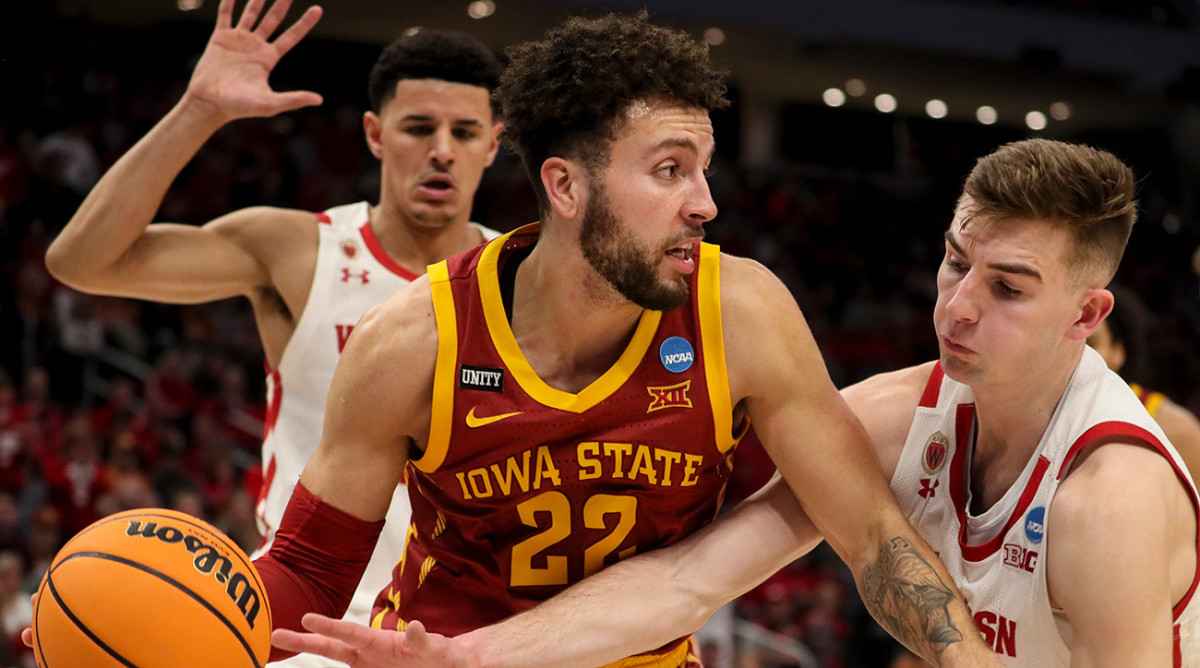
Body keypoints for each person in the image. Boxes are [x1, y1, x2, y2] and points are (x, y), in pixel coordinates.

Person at [250, 11, 1001, 668]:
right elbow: (309, 570)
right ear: (567, 187)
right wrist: (190, 624)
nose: (704, 204)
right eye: (670, 170)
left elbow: (870, 532)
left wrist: (968, 659)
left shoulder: (739, 312)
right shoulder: (414, 341)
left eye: (703, 170)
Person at [273, 140, 1199, 667]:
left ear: (1088, 314)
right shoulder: (895, 417)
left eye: (1009, 288)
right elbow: (690, 579)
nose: (956, 305)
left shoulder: (1102, 501)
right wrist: (469, 658)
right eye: (958, 261)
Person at [40, 0, 505, 665]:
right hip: (306, 621)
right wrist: (197, 111)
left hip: (468, 632)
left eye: (464, 131)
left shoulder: (527, 276)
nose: (440, 150)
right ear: (374, 134)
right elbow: (83, 260)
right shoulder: (299, 250)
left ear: (495, 142)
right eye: (418, 127)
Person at [1086, 284, 1200, 477]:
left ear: (1118, 352)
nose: (1079, 355)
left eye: (1091, 345)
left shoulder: (1174, 427)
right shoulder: (1036, 414)